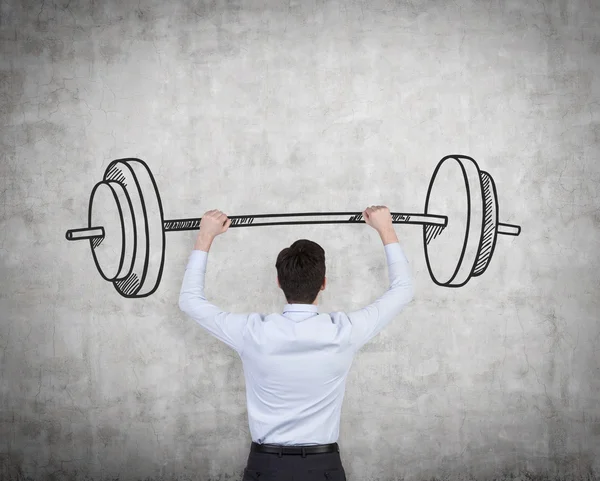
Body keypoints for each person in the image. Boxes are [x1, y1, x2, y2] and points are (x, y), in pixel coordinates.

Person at [179, 206, 414, 481]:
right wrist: (385, 228)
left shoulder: (252, 332)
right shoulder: (344, 332)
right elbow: (403, 290)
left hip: (265, 468)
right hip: (323, 468)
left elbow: (190, 301)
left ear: (278, 282)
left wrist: (205, 237)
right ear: (323, 283)